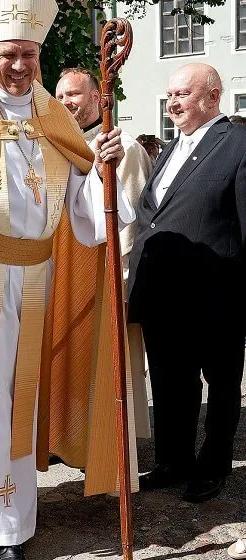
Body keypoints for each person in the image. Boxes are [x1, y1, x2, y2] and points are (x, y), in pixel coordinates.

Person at [0, 1, 137, 558]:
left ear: (38, 57)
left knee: (15, 397)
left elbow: (88, 215)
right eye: (8, 55)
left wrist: (101, 170)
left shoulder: (55, 120)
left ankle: (7, 525)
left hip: (36, 278)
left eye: (28, 54)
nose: (19, 64)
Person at [128, 63, 246, 503]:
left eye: (182, 94)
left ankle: (213, 464)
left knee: (220, 382)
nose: (172, 102)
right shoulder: (171, 150)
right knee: (171, 381)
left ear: (212, 96)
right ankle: (172, 461)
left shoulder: (237, 142)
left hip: (215, 293)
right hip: (163, 294)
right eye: (170, 95)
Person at [55, 67, 153, 440]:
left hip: (110, 275)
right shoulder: (64, 141)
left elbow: (130, 224)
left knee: (113, 367)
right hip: (71, 274)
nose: (66, 103)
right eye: (60, 96)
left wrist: (124, 281)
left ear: (98, 97)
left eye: (75, 95)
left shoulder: (120, 147)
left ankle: (114, 444)